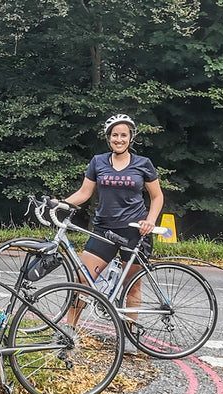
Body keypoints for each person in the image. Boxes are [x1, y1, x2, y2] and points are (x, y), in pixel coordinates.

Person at [61, 114, 164, 354]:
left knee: (132, 287)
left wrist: (150, 221)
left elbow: (157, 196)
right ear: (109, 138)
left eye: (123, 135)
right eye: (114, 135)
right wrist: (60, 203)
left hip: (136, 231)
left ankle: (129, 334)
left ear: (131, 138)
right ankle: (68, 332)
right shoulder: (98, 162)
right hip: (103, 230)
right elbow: (84, 193)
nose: (119, 139)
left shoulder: (143, 164)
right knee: (82, 281)